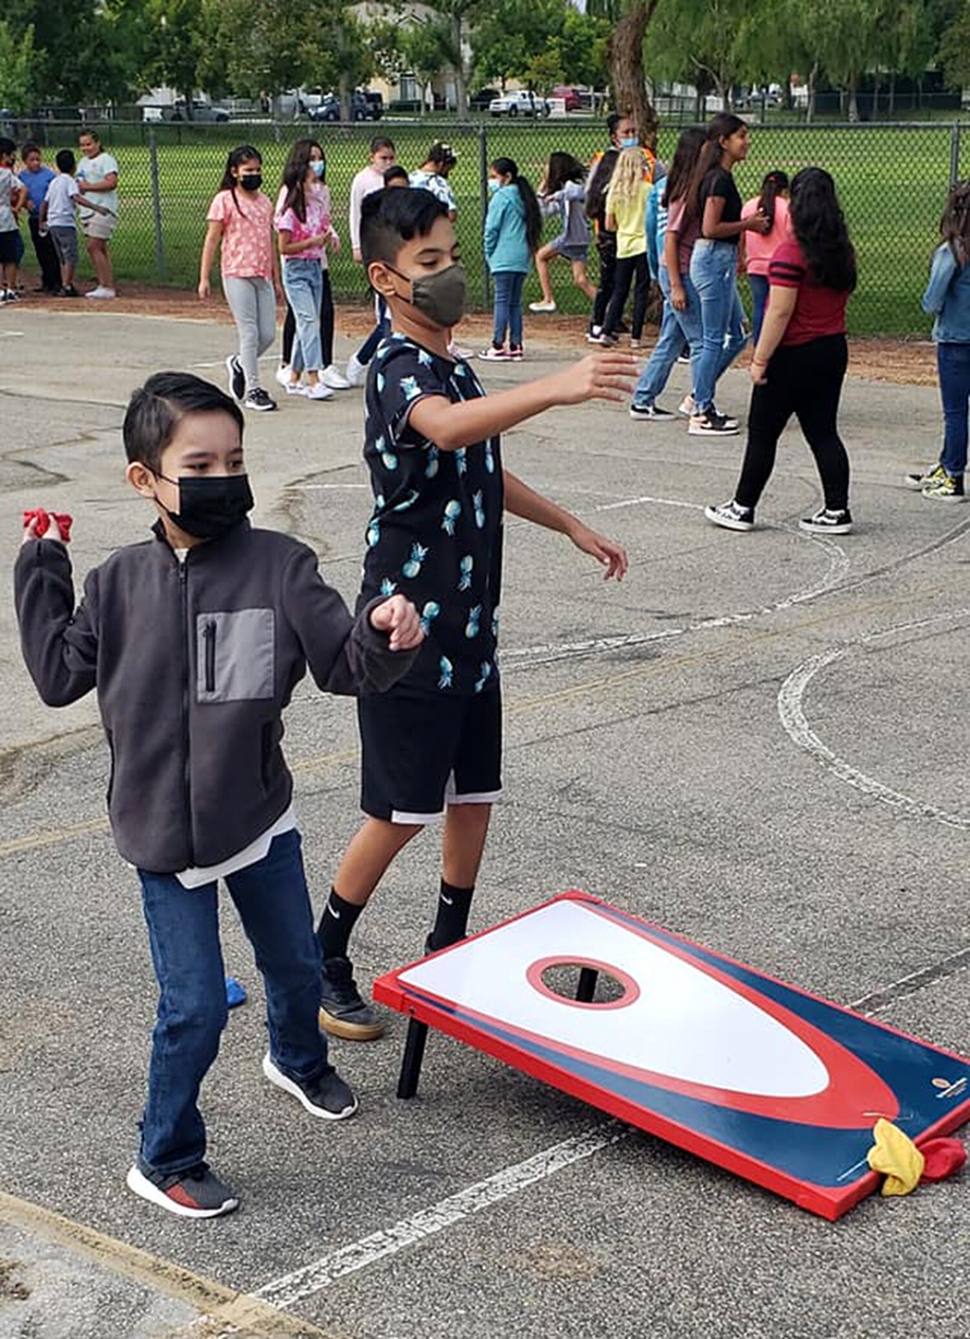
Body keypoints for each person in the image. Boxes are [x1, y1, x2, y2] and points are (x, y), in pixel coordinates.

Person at [14, 371, 423, 1218]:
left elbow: (346, 664)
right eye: (198, 463)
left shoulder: (281, 565)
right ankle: (164, 1153)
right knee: (194, 1008)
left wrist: (385, 634)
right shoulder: (119, 582)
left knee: (297, 964)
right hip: (162, 836)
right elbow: (59, 674)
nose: (222, 478)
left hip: (260, 819)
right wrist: (41, 563)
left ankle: (298, 1059)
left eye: (234, 460)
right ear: (145, 478)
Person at [312, 187, 635, 1040]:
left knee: (473, 794)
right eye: (431, 263)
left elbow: (478, 466)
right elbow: (450, 431)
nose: (450, 274)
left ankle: (448, 949)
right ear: (384, 278)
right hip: (404, 625)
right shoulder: (395, 368)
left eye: (454, 256)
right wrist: (558, 386)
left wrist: (567, 521)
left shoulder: (454, 363)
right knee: (400, 808)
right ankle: (325, 955)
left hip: (467, 629)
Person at [704, 167, 857, 535]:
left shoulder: (792, 252)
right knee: (823, 431)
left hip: (793, 351)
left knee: (762, 432)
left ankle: (742, 506)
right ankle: (837, 509)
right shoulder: (841, 250)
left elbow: (780, 310)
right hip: (832, 347)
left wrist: (760, 359)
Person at [686, 114, 769, 437]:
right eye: (741, 136)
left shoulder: (719, 177)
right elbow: (710, 228)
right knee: (712, 339)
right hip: (711, 259)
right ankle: (702, 410)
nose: (746, 141)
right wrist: (747, 226)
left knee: (737, 333)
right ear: (724, 142)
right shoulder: (718, 179)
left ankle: (699, 395)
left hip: (717, 258)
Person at [629, 127, 706, 421]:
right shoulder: (691, 188)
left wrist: (654, 270)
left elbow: (651, 232)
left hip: (663, 265)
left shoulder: (663, 185)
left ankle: (643, 397)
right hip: (681, 268)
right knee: (700, 341)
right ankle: (702, 403)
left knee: (671, 339)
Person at [199, 145, 279, 413]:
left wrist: (275, 278)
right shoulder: (225, 200)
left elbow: (270, 241)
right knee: (249, 330)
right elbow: (212, 238)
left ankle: (239, 364)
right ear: (235, 172)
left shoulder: (265, 202)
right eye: (248, 170)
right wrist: (204, 277)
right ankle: (253, 388)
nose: (254, 175)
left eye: (257, 170)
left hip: (261, 273)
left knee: (267, 333)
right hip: (236, 271)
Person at [909, 179, 970, 501]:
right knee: (959, 410)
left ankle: (954, 476)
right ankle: (947, 464)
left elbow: (933, 299)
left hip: (957, 339)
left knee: (956, 410)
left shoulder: (953, 250)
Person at [274, 138, 342, 401]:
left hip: (315, 266)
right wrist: (311, 242)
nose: (317, 166)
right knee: (309, 321)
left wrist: (330, 236)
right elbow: (284, 247)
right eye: (311, 161)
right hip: (297, 269)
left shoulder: (318, 201)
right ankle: (314, 377)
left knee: (309, 320)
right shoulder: (291, 208)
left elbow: (326, 224)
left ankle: (295, 376)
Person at [585, 111, 658, 342]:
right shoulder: (604, 160)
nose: (632, 136)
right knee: (610, 281)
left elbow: (660, 181)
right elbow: (591, 192)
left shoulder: (645, 158)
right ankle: (599, 323)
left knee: (623, 284)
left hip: (628, 233)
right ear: (614, 137)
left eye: (634, 132)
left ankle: (612, 324)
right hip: (612, 232)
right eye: (626, 132)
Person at [345, 136, 397, 387]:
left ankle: (379, 360)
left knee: (395, 315)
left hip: (395, 251)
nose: (386, 163)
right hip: (374, 249)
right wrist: (357, 245)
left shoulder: (393, 180)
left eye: (390, 158)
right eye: (382, 158)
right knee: (386, 317)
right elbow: (356, 214)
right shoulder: (363, 180)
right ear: (372, 157)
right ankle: (364, 360)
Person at [480, 156, 541, 361]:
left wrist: (489, 252)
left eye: (494, 176)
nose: (492, 180)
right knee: (514, 302)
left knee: (502, 300)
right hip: (521, 257)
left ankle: (498, 343)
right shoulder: (526, 198)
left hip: (503, 255)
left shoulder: (501, 197)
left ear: (506, 177)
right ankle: (516, 344)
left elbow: (491, 229)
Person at [39, 149, 111, 299]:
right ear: (73, 166)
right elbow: (76, 197)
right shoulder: (69, 181)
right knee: (70, 256)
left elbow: (44, 204)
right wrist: (96, 207)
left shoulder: (54, 181)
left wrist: (42, 220)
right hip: (65, 223)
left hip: (53, 223)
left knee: (62, 257)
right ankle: (66, 285)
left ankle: (66, 284)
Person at [530, 153, 596, 313]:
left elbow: (578, 193)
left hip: (571, 236)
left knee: (540, 256)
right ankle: (609, 310)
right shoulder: (562, 189)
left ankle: (548, 299)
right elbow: (545, 211)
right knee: (580, 280)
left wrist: (556, 195)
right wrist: (542, 189)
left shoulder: (571, 185)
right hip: (579, 238)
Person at [601, 147, 651, 349]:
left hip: (624, 244)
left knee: (619, 289)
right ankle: (636, 336)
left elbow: (609, 225)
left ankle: (607, 329)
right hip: (644, 244)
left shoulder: (614, 192)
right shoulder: (648, 190)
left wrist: (624, 226)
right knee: (641, 289)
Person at [741, 170, 790, 343]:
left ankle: (759, 344)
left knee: (760, 306)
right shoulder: (787, 208)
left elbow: (742, 235)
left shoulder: (750, 206)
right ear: (784, 190)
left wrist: (741, 258)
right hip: (781, 267)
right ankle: (778, 343)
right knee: (780, 307)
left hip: (755, 265)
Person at [75, 128, 119, 299]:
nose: (86, 148)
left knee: (93, 246)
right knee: (100, 248)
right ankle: (107, 283)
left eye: (89, 144)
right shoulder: (83, 162)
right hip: (87, 210)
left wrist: (88, 187)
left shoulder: (105, 160)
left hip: (102, 208)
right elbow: (79, 182)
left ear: (97, 143)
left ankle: (105, 285)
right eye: (82, 145)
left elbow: (111, 182)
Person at [17, 142, 60, 293]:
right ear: (25, 161)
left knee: (51, 250)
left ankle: (56, 281)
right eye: (32, 160)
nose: (36, 163)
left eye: (38, 159)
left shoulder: (48, 175)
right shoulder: (22, 176)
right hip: (34, 218)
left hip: (48, 218)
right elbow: (17, 195)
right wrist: (24, 203)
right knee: (40, 251)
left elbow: (55, 194)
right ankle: (46, 281)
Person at [0, 138, 27, 302]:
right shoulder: (6, 173)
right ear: (4, 155)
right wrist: (17, 207)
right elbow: (23, 189)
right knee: (10, 257)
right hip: (5, 217)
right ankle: (10, 287)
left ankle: (1, 290)